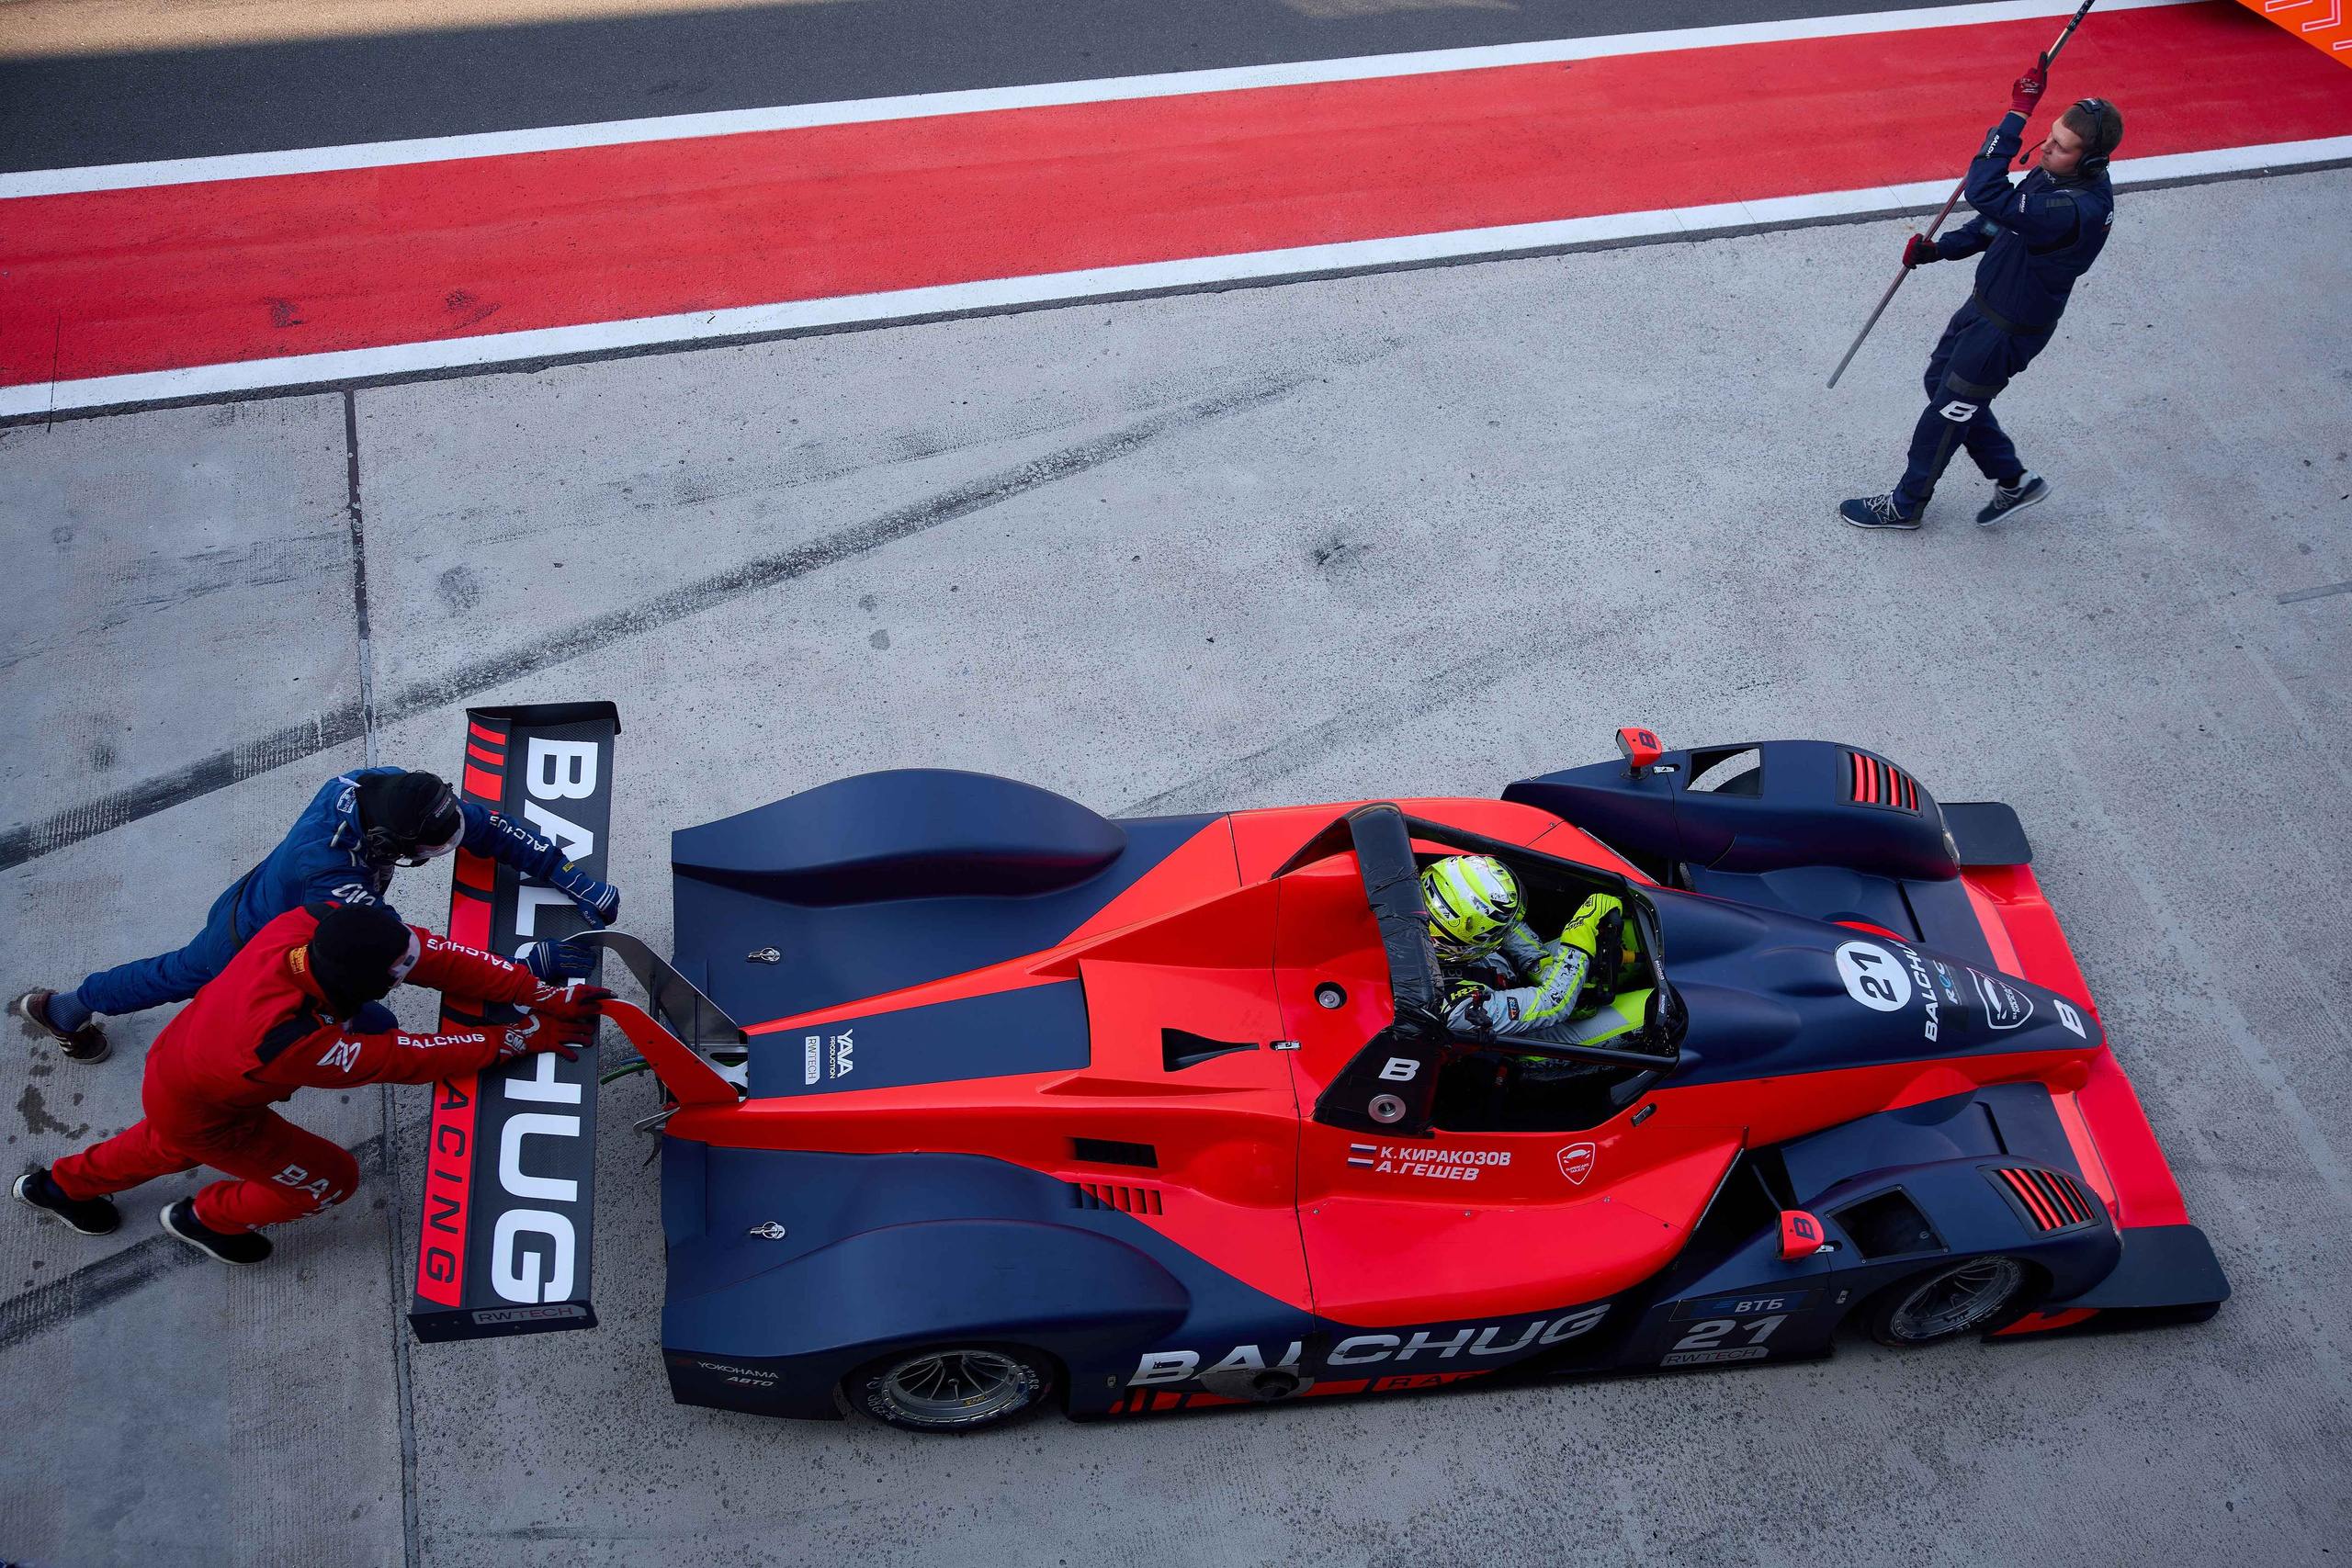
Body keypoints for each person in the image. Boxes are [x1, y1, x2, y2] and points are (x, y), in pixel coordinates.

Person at [13, 901, 609, 1264]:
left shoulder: (320, 923)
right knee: (330, 1181)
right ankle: (207, 1219)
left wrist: (536, 992)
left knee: (168, 1140)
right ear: (356, 985)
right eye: (395, 974)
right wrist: (520, 1038)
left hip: (182, 1066)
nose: (410, 966)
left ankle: (59, 1186)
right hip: (210, 1105)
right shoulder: (293, 1042)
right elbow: (405, 1057)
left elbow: (431, 955)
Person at [13, 766, 617, 1063]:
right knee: (182, 976)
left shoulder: (384, 788)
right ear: (386, 844)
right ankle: (67, 1006)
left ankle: (69, 1005)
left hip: (263, 894)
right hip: (250, 943)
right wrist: (521, 968)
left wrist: (564, 871)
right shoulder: (330, 874)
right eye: (431, 850)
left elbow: (478, 825)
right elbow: (407, 954)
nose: (446, 848)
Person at [1840, 75, 2124, 531]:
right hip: (1985, 309)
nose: (2047, 148)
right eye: (2050, 136)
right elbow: (1998, 220)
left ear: (2091, 160)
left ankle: (1906, 505)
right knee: (1942, 386)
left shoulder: (2073, 209)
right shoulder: (2056, 175)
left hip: (2005, 332)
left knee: (1945, 416)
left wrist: (2017, 114)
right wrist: (1941, 249)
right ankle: (2014, 481)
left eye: (2061, 146)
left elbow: (1987, 192)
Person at [1420, 854, 1645, 1051]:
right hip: (1526, 1043)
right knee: (1651, 1008)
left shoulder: (1421, 909)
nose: (1505, 930)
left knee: (1628, 933)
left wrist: (1537, 964)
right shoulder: (1453, 1009)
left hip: (1519, 981)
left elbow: (1508, 925)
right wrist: (1578, 938)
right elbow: (1553, 1005)